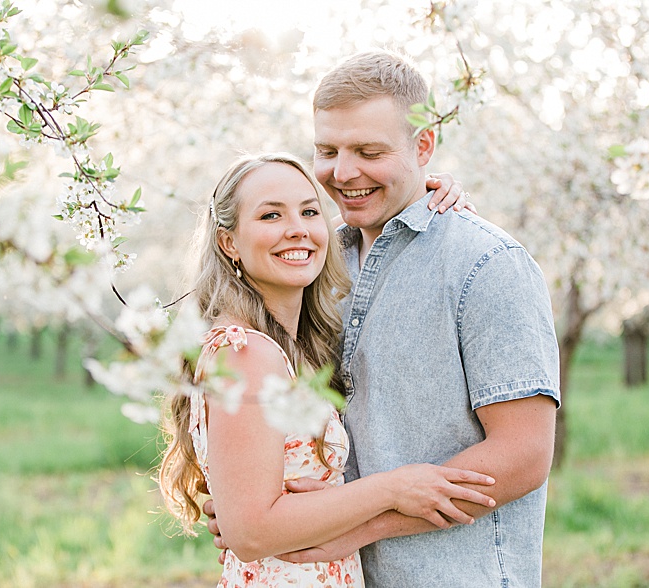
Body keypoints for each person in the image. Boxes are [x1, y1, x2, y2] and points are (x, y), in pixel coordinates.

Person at [206, 51, 561, 587]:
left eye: (369, 151)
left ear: (423, 146)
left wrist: (367, 524)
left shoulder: (485, 265)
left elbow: (524, 455)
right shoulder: (316, 265)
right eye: (327, 151)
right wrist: (255, 509)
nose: (343, 173)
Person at [158, 153, 499, 587]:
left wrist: (424, 195)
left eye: (309, 211)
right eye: (270, 215)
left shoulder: (288, 348)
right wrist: (394, 488)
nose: (297, 228)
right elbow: (250, 531)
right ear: (229, 243)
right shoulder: (245, 353)